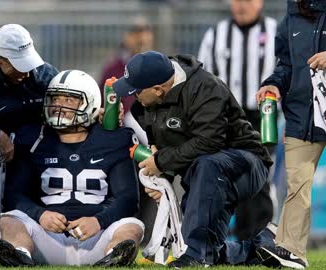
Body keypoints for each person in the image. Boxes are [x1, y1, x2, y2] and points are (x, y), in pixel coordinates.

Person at [112, 51, 273, 268]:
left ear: (158, 90)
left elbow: (210, 141)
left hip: (246, 162)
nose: (132, 97)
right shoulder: (144, 106)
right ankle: (262, 246)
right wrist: (161, 179)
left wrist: (160, 162)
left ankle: (197, 257)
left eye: (136, 91)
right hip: (202, 174)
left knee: (208, 166)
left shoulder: (206, 87)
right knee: (205, 244)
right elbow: (162, 149)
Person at [0, 70, 144, 266]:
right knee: (9, 220)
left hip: (97, 237)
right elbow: (14, 194)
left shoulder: (114, 138)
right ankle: (20, 256)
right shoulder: (34, 138)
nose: (58, 106)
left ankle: (114, 257)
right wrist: (41, 215)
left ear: (91, 104)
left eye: (69, 100)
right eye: (55, 99)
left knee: (131, 226)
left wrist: (99, 221)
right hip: (48, 237)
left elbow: (128, 198)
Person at [255, 1, 326, 269]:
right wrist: (272, 84)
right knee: (297, 186)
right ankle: (291, 251)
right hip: (301, 117)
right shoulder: (291, 20)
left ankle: (282, 241)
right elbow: (286, 65)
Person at [0, 24, 59, 241]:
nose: (25, 72)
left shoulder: (44, 74)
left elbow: (69, 106)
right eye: (18, 65)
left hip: (28, 151)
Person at [198, 0, 277, 131]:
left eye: (248, 1)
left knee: (265, 151)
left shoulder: (275, 31)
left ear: (260, 2)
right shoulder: (216, 33)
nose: (242, 6)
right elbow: (202, 75)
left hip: (266, 112)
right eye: (237, 0)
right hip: (226, 114)